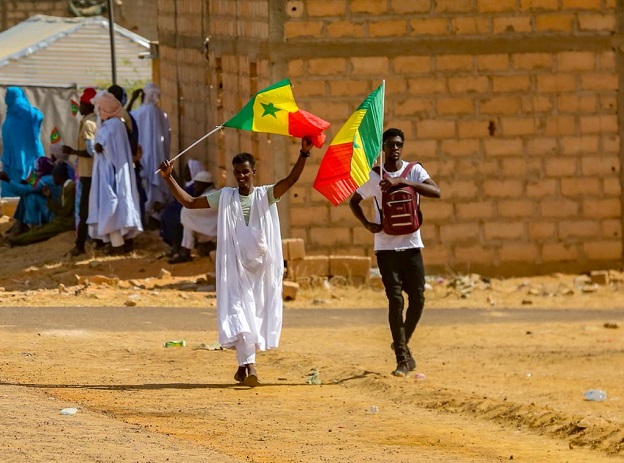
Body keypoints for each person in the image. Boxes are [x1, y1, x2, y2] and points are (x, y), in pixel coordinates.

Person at [158, 137, 314, 386]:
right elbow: (188, 202)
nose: (241, 176)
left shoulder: (266, 195)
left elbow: (290, 181)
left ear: (254, 172)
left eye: (245, 172)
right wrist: (169, 178)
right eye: (237, 173)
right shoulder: (225, 197)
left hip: (261, 268)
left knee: (255, 312)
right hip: (234, 268)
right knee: (239, 313)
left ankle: (242, 367)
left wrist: (304, 154)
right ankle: (250, 366)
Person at [349, 128, 441, 378]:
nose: (395, 148)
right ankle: (401, 357)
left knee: (419, 299)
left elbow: (436, 192)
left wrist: (403, 182)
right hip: (386, 247)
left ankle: (401, 342)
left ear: (403, 145)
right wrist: (367, 224)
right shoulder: (374, 175)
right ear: (383, 148)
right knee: (395, 300)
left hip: (412, 244)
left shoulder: (414, 171)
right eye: (390, 145)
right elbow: (353, 201)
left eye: (399, 144)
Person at [88, 91, 143, 255]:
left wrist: (98, 146)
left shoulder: (109, 127)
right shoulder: (119, 124)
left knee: (110, 206)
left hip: (109, 174)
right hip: (118, 172)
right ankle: (123, 242)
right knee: (120, 204)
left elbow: (100, 147)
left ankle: (117, 245)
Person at [2, 162, 75, 247]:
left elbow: (25, 190)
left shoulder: (46, 180)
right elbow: (29, 185)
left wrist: (8, 180)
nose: (36, 173)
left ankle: (26, 229)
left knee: (31, 196)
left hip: (59, 217)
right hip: (58, 214)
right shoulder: (45, 178)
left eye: (38, 171)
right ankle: (21, 224)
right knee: (28, 195)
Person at [129, 83, 172, 225]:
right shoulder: (162, 114)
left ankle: (146, 219)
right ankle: (156, 217)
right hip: (159, 158)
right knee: (156, 187)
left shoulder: (141, 112)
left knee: (145, 186)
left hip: (144, 157)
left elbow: (126, 120)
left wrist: (132, 100)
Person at [63, 87, 98, 256]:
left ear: (89, 106)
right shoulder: (96, 120)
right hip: (92, 172)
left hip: (88, 173)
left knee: (84, 209)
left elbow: (92, 151)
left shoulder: (89, 124)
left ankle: (80, 244)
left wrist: (73, 152)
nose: (80, 107)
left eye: (83, 104)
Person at [1, 87, 44, 198]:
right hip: (13, 162)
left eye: (7, 95)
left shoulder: (21, 109)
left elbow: (38, 116)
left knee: (29, 191)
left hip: (28, 161)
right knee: (12, 193)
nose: (5, 97)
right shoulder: (10, 113)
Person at [169, 170, 218, 264]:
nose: (195, 187)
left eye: (197, 184)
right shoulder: (209, 194)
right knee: (188, 222)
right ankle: (184, 250)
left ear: (204, 185)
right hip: (210, 229)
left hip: (214, 232)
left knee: (186, 213)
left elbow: (189, 209)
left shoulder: (211, 195)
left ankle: (185, 251)